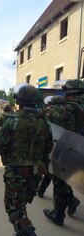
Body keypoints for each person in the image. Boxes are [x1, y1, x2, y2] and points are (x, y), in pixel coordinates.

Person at [0, 83, 53, 236]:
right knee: (21, 206)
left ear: (19, 101)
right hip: (35, 174)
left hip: (16, 174)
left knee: (14, 211)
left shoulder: (12, 121)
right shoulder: (44, 123)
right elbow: (48, 150)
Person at [44, 79, 84, 225]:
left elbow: (51, 125)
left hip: (69, 148)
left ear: (71, 92)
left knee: (60, 179)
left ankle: (58, 214)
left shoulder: (70, 108)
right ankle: (71, 201)